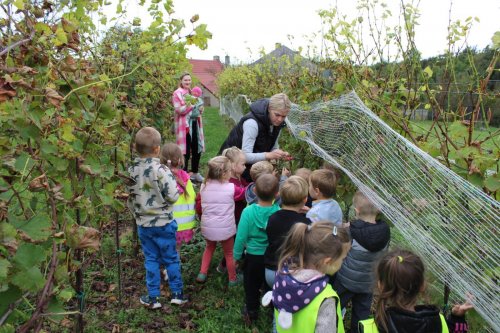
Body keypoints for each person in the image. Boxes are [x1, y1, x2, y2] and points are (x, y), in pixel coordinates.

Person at [126, 127, 187, 308]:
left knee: (151, 259)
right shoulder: (162, 170)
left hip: (144, 225)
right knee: (171, 258)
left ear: (135, 148)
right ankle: (177, 293)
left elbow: (129, 196)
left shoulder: (131, 170)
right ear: (157, 150)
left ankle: (153, 298)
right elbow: (173, 196)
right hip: (165, 223)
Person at [359, 249, 473, 333]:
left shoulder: (369, 329)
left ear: (380, 286)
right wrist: (458, 319)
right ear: (422, 285)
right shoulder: (439, 323)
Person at [269, 221, 351, 333]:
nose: (343, 262)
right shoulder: (325, 298)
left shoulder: (283, 277)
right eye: (342, 259)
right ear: (328, 261)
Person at [332, 191, 391, 331]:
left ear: (356, 210)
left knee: (334, 306)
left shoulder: (351, 231)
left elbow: (339, 249)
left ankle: (330, 325)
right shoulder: (385, 232)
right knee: (362, 314)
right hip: (368, 283)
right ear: (378, 210)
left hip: (346, 280)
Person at [234, 174, 280, 324]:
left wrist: (236, 256)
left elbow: (240, 237)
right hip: (272, 258)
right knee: (271, 285)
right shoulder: (278, 212)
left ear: (254, 190)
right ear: (277, 194)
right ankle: (273, 310)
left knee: (251, 284)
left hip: (253, 257)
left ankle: (252, 311)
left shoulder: (248, 212)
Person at [195, 156, 245, 286]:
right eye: (229, 171)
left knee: (209, 248)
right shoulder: (231, 188)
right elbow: (244, 193)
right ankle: (232, 279)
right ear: (224, 173)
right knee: (229, 253)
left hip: (208, 227)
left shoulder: (203, 186)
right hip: (225, 229)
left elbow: (200, 204)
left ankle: (202, 273)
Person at [219, 93, 292, 182]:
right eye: (277, 115)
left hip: (247, 168)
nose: (280, 119)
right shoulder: (252, 123)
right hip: (230, 169)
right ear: (269, 109)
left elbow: (273, 146)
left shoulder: (276, 124)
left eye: (283, 116)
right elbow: (245, 156)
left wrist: (277, 153)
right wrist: (268, 155)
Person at [264, 176, 311, 288]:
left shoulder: (272, 218)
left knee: (276, 298)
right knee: (289, 302)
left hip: (270, 271)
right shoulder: (305, 224)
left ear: (280, 196)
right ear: (305, 199)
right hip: (291, 274)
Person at [216, 146, 249, 274]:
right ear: (234, 166)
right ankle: (224, 266)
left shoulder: (240, 178)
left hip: (239, 216)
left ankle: (237, 259)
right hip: (232, 218)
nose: (245, 166)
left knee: (238, 240)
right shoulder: (230, 183)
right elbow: (241, 193)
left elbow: (246, 187)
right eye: (243, 164)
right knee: (234, 244)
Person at [160, 143, 197, 250]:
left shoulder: (161, 178)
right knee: (176, 250)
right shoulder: (186, 178)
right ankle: (175, 264)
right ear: (181, 160)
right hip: (185, 226)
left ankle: (169, 265)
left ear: (162, 161)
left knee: (166, 250)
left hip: (167, 225)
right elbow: (193, 197)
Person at [172, 73, 205, 183]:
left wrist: (200, 109)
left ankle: (195, 172)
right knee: (185, 151)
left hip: (195, 123)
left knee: (197, 148)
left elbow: (197, 106)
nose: (188, 82)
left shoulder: (191, 92)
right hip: (184, 125)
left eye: (189, 80)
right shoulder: (177, 93)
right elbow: (179, 110)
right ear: (181, 81)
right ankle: (184, 176)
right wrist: (191, 104)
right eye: (185, 80)